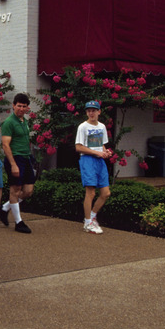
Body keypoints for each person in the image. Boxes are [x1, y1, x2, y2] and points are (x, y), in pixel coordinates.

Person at [0, 93, 35, 234]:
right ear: (13, 105)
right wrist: (13, 164)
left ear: (27, 108)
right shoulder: (9, 123)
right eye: (19, 106)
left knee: (28, 191)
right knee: (15, 190)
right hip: (15, 158)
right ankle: (18, 222)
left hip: (26, 158)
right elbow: (5, 145)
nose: (21, 108)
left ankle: (4, 208)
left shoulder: (24, 122)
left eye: (24, 106)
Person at [74, 100, 111, 234]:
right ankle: (87, 222)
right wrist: (97, 153)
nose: (91, 113)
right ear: (86, 112)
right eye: (89, 110)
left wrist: (105, 152)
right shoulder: (82, 127)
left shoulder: (101, 127)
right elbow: (78, 147)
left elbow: (101, 144)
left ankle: (93, 216)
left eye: (94, 110)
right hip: (87, 160)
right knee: (91, 192)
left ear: (99, 112)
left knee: (106, 193)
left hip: (99, 161)